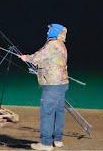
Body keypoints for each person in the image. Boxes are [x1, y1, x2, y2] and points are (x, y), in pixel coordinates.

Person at [19, 23, 69, 151]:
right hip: (62, 83)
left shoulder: (52, 45)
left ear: (55, 32)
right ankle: (57, 140)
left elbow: (38, 57)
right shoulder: (61, 44)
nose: (47, 33)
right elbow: (47, 60)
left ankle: (46, 144)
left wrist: (26, 58)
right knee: (59, 112)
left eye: (49, 30)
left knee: (47, 113)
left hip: (52, 84)